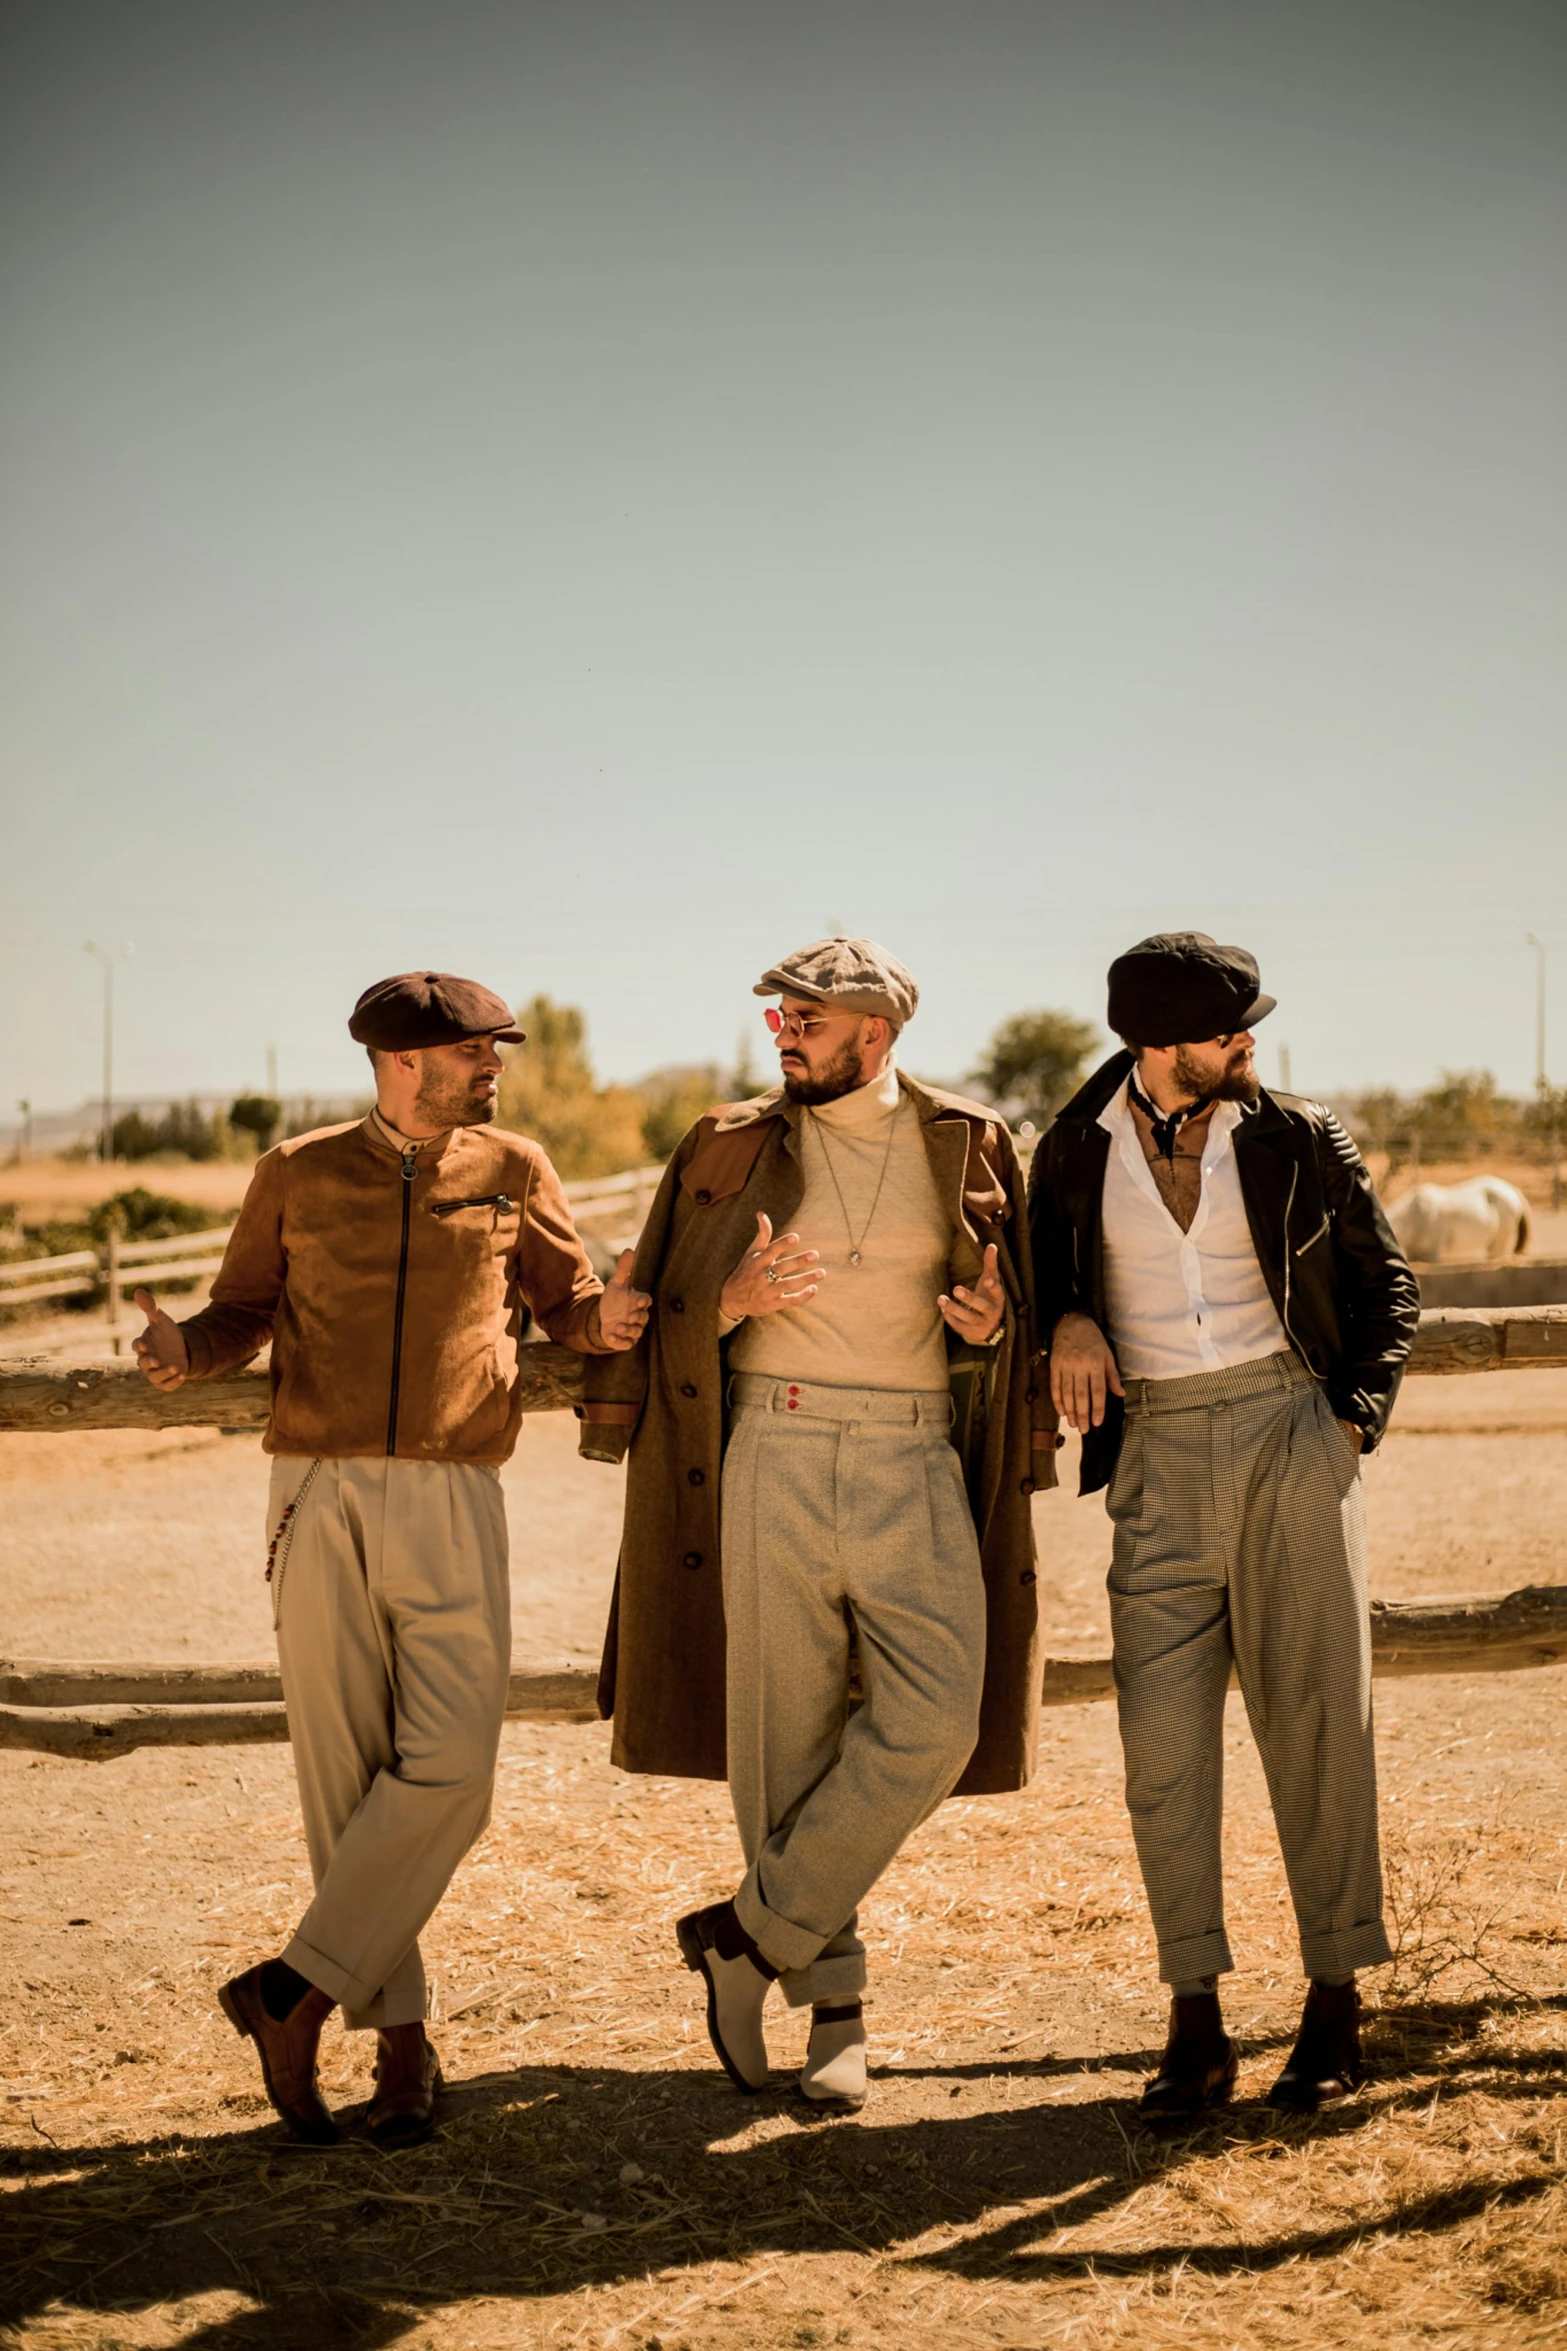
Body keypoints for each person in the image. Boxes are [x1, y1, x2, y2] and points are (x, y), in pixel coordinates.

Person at [132, 971, 649, 2147]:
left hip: (457, 1486)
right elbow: (239, 1311)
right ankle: (400, 2048)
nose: (496, 1070)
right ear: (401, 1060)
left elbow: (563, 1299)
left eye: (495, 1054)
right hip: (314, 1490)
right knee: (346, 1779)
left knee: (453, 1770)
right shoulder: (297, 1170)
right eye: (477, 1053)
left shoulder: (512, 1168)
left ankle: (290, 1989)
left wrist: (600, 1320)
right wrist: (180, 1352)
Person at [578, 938, 1056, 2112]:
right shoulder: (724, 1141)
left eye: (806, 1018)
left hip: (915, 1452)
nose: (782, 1032)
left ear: (873, 1034)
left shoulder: (969, 1138)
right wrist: (723, 1303)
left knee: (938, 1717)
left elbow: (1020, 1302)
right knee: (781, 1745)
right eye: (778, 1016)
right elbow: (650, 1302)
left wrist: (994, 1325)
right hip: (770, 1448)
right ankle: (831, 2004)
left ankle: (748, 1935)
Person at [1029, 933, 1418, 2121]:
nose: (1245, 1041)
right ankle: (1192, 2014)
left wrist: (1349, 1416)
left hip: (1290, 1430)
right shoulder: (1067, 1149)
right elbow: (1040, 1273)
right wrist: (1070, 1321)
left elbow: (1384, 1285)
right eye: (1222, 1029)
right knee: (1161, 1748)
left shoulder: (1299, 1133)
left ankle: (1333, 1998)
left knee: (1318, 1719)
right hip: (1152, 1451)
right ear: (1157, 1045)